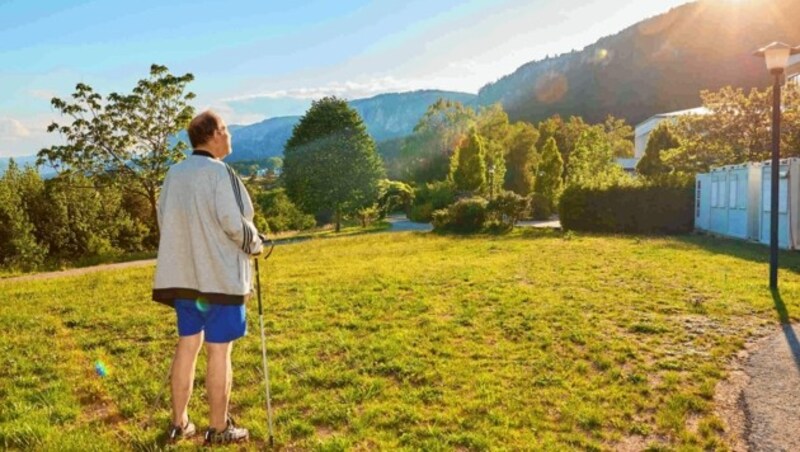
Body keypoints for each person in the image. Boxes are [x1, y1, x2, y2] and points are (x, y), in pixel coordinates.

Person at [152, 110, 264, 445]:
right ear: (213, 135)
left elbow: (165, 222)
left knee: (188, 345)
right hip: (219, 278)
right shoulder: (220, 172)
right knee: (219, 351)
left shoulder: (174, 174)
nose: (229, 136)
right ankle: (218, 429)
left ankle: (180, 423)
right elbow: (234, 223)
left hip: (184, 279)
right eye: (226, 129)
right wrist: (256, 245)